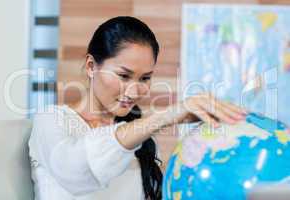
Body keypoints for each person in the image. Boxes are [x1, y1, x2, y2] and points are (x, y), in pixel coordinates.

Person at [28, 16, 247, 200]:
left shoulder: (140, 139)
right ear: (91, 66)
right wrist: (167, 115)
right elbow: (74, 173)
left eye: (145, 78)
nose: (134, 92)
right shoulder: (50, 119)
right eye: (124, 76)